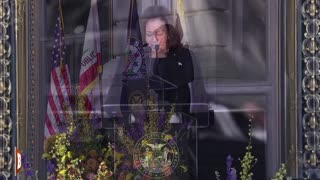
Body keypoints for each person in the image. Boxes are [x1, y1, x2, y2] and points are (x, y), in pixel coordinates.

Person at [143, 6, 194, 115]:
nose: (155, 38)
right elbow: (154, 77)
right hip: (160, 103)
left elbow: (189, 76)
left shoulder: (182, 53)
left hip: (178, 101)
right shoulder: (154, 55)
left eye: (160, 34)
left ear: (170, 36)